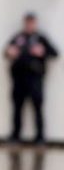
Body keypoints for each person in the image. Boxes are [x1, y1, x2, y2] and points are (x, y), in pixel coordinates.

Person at [5, 12, 57, 144]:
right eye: (27, 22)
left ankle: (40, 137)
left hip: (35, 79)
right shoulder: (18, 37)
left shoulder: (40, 38)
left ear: (35, 23)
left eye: (31, 22)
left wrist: (42, 51)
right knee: (17, 108)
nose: (29, 25)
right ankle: (15, 136)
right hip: (19, 79)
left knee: (37, 108)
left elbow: (55, 53)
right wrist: (9, 52)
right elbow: (6, 51)